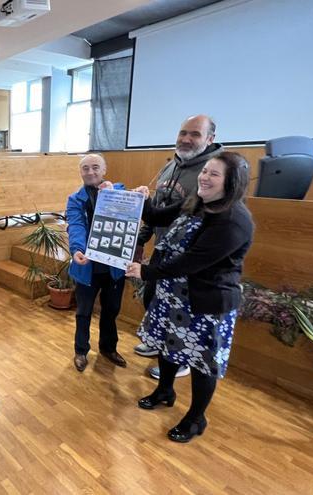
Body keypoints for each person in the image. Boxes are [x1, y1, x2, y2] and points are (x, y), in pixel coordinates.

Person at [126, 151, 254, 443]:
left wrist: (145, 272)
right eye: (205, 171)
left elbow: (192, 262)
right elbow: (156, 216)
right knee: (168, 344)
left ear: (232, 182)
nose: (205, 177)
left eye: (214, 174)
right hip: (174, 294)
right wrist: (143, 200)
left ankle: (197, 417)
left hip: (205, 303)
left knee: (200, 361)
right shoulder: (194, 202)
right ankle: (165, 390)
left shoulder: (234, 219)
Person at [133, 115, 222, 382]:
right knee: (153, 299)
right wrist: (141, 239)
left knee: (180, 313)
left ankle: (178, 360)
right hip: (163, 248)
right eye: (183, 132)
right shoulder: (170, 166)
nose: (186, 139)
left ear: (210, 139)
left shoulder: (213, 172)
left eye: (194, 134)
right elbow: (158, 212)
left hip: (189, 256)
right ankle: (157, 343)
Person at [66, 154, 128, 372]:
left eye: (95, 167)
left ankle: (108, 348)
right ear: (80, 172)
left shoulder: (119, 192)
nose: (90, 172)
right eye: (85, 168)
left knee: (111, 310)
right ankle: (81, 350)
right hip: (86, 267)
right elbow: (75, 225)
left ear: (104, 169)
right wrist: (77, 250)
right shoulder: (75, 199)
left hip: (113, 267)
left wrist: (112, 197)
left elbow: (128, 217)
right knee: (83, 311)